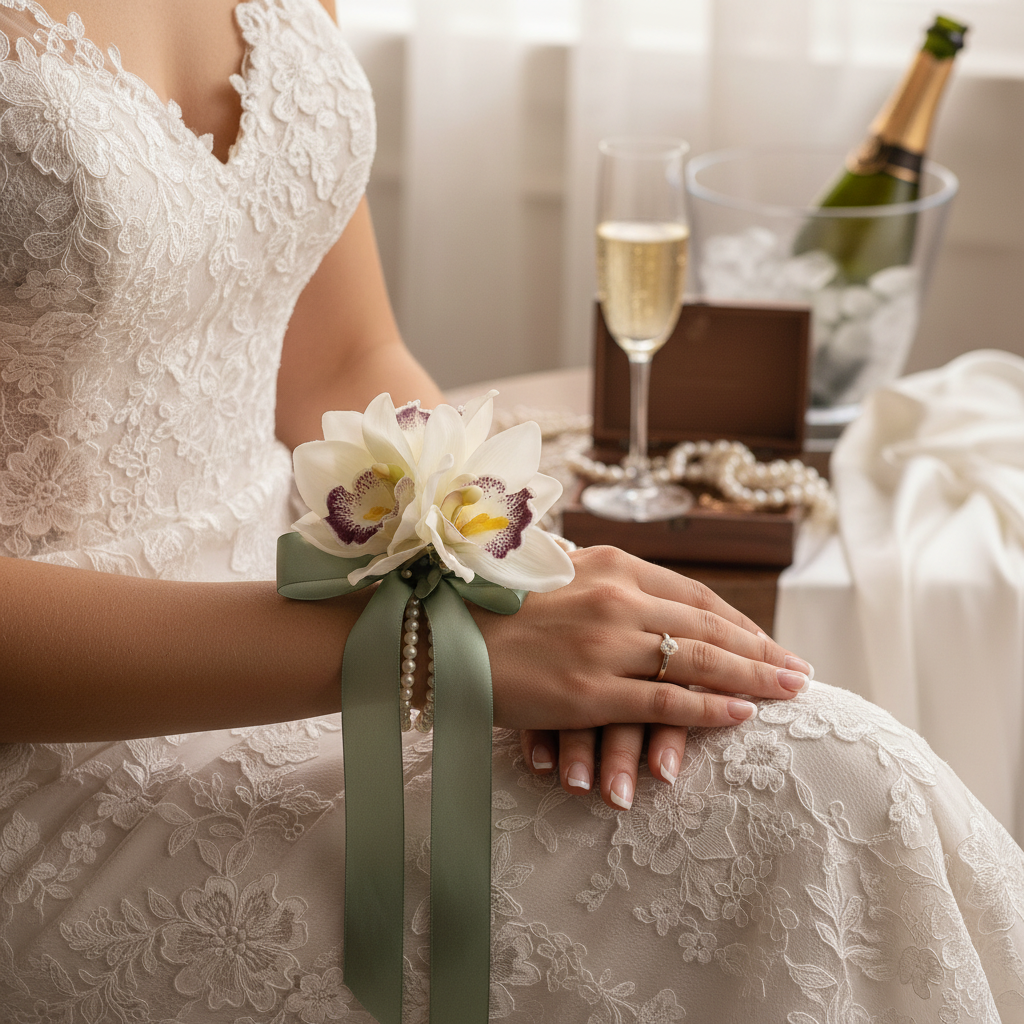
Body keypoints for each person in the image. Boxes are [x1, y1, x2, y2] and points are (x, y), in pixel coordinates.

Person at [0, 1, 1022, 1021]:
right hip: (58, 766)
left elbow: (343, 363)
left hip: (324, 614)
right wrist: (418, 646)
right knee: (804, 822)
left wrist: (507, 576)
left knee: (832, 777)